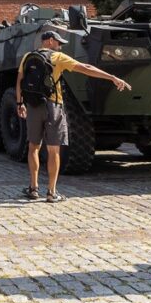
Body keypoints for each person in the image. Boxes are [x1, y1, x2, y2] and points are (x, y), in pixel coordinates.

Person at [17, 30, 130, 201]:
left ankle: (33, 189)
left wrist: (20, 104)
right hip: (53, 106)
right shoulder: (58, 58)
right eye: (58, 42)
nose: (60, 46)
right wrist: (111, 77)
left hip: (33, 105)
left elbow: (19, 81)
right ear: (48, 41)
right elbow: (86, 68)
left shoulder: (27, 57)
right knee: (54, 149)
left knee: (33, 147)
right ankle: (51, 192)